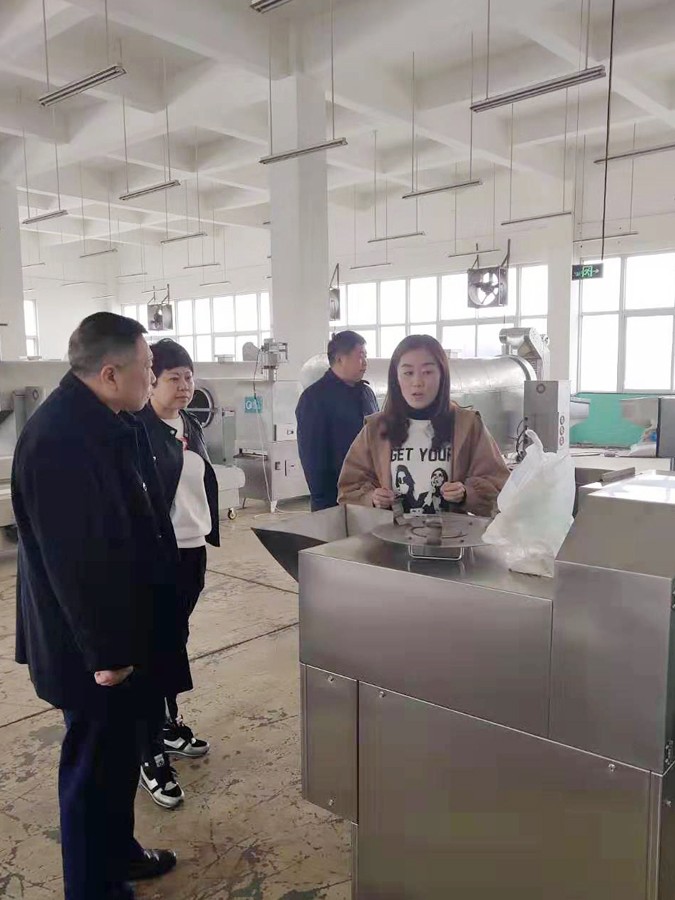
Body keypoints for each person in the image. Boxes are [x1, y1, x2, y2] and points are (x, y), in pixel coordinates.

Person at [12, 313, 185, 900]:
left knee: (116, 761)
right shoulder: (59, 440)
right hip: (92, 651)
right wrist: (107, 654)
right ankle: (93, 889)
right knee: (92, 769)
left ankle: (118, 855)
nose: (153, 376)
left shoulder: (107, 421)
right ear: (110, 373)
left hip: (123, 634)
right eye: (148, 367)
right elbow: (74, 562)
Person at [136, 339, 219, 809]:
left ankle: (168, 725)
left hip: (192, 549)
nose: (184, 385)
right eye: (174, 377)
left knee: (175, 641)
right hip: (158, 555)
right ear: (152, 380)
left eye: (189, 376)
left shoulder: (189, 424)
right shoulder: (138, 430)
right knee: (154, 650)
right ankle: (148, 751)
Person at [338, 334, 509, 515]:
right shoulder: (376, 428)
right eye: (408, 373)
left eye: (427, 372)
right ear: (396, 378)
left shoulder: (466, 425)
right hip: (392, 532)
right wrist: (372, 498)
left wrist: (466, 494)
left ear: (442, 375)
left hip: (453, 532)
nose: (417, 382)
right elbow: (349, 489)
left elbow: (500, 487)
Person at [296, 330, 379, 511]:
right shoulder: (314, 399)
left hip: (369, 495)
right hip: (333, 499)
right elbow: (312, 458)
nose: (365, 363)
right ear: (340, 358)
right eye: (360, 357)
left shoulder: (366, 394)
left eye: (366, 357)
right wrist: (324, 501)